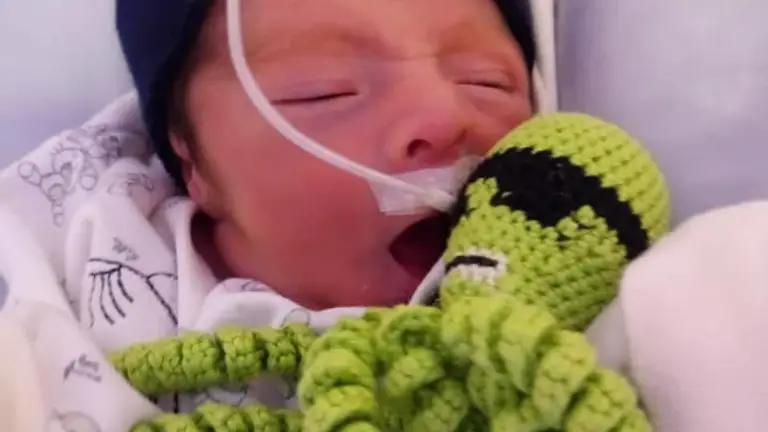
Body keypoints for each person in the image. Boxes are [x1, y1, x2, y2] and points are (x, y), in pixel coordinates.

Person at [0, 0, 540, 429]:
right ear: (193, 164)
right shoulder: (79, 282)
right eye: (325, 91)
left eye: (487, 82)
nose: (444, 118)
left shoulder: (552, 282)